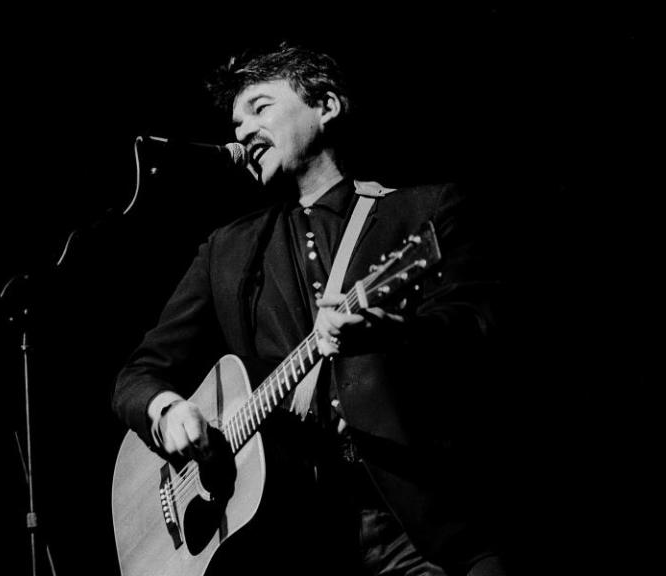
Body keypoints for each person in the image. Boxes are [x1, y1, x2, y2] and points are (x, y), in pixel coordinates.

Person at [112, 42, 508, 575]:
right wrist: (167, 411)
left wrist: (392, 333)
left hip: (422, 526)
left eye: (260, 108)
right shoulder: (226, 251)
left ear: (326, 106)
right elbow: (137, 376)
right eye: (236, 121)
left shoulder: (425, 211)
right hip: (296, 538)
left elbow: (480, 330)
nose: (243, 132)